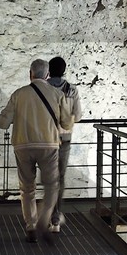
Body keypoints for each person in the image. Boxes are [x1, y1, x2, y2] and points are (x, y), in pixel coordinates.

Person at [0, 59, 75, 243]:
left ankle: (31, 226)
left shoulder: (19, 94)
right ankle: (43, 220)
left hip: (23, 145)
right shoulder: (57, 94)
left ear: (30, 74)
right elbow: (66, 122)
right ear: (47, 76)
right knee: (52, 187)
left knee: (27, 188)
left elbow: (5, 120)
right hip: (48, 145)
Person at [47, 57, 83, 230]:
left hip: (45, 138)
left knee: (48, 178)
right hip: (64, 138)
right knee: (60, 178)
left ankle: (44, 213)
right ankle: (55, 217)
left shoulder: (42, 88)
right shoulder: (71, 90)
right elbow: (79, 114)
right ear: (63, 70)